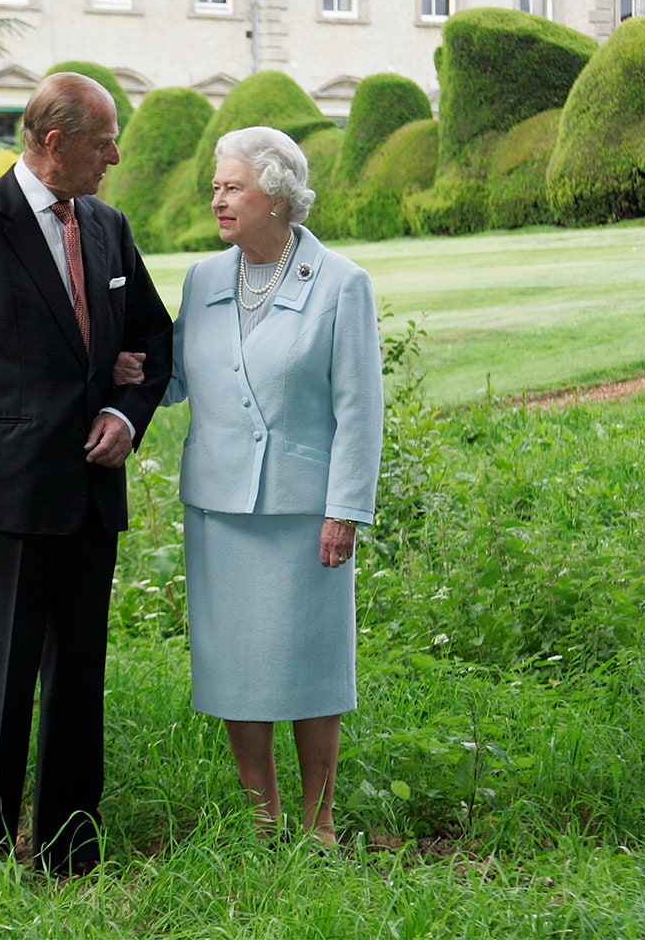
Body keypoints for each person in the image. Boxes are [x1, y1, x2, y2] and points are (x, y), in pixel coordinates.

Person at [0, 72, 173, 874]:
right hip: (3, 500)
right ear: (54, 143)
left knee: (77, 680)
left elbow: (152, 345)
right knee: (0, 681)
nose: (116, 156)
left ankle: (69, 850)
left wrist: (124, 411)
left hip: (91, 498)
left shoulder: (107, 225)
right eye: (104, 143)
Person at [165, 125, 384, 848]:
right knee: (236, 669)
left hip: (304, 511)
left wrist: (345, 510)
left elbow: (360, 406)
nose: (218, 199)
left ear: (279, 197)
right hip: (220, 507)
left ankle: (319, 822)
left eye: (232, 187)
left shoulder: (342, 283)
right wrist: (116, 373)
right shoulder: (201, 280)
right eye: (216, 187)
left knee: (312, 668)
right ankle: (263, 820)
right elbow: (172, 380)